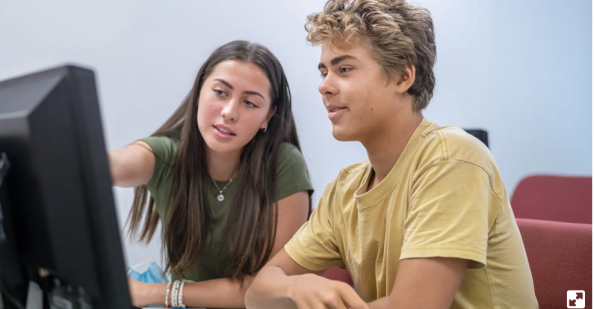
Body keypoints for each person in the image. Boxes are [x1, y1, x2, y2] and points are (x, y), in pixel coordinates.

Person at [246, 1, 538, 308]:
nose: (325, 86)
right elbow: (257, 294)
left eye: (344, 69)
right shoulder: (343, 191)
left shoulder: (451, 158)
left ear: (402, 77)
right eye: (324, 72)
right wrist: (296, 288)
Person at [108, 40, 314, 308]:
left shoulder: (283, 165)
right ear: (199, 92)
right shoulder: (166, 154)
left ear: (268, 116)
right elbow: (102, 167)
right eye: (220, 92)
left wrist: (158, 294)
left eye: (250, 103)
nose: (229, 112)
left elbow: (272, 290)